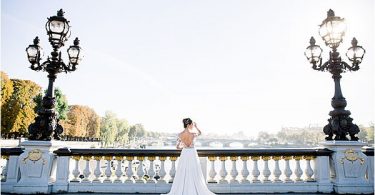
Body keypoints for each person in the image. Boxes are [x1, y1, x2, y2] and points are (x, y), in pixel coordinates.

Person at [162, 118, 216, 195]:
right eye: (191, 124)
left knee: (183, 170)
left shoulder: (180, 135)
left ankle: (183, 188)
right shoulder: (193, 134)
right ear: (188, 125)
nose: (192, 126)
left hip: (185, 153)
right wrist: (196, 127)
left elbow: (177, 147)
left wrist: (184, 146)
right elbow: (200, 133)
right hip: (192, 153)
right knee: (194, 170)